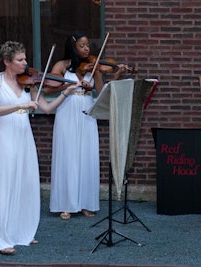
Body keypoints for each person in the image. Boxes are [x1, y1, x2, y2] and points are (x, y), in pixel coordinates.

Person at [0, 41, 80, 255]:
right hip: (5, 137)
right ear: (8, 62)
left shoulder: (29, 83)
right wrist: (20, 105)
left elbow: (46, 108)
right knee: (5, 184)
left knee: (25, 183)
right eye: (20, 60)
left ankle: (20, 233)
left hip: (24, 137)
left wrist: (67, 92)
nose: (25, 63)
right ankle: (0, 239)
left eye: (25, 58)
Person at [45, 31, 128, 220]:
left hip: (87, 110)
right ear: (73, 47)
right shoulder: (62, 65)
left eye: (88, 45)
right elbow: (49, 88)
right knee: (68, 156)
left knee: (86, 156)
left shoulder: (94, 67)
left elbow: (102, 92)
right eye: (82, 46)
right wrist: (70, 86)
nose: (86, 49)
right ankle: (66, 204)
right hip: (67, 110)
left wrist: (118, 74)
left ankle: (85, 203)